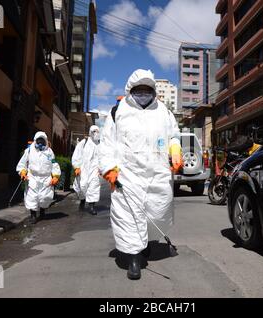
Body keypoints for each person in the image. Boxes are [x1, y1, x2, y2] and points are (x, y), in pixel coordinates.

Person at [99, 69, 183, 280]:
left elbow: (174, 135)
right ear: (131, 90)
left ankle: (145, 243)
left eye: (147, 89)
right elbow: (107, 142)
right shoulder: (118, 112)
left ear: (153, 91)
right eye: (139, 89)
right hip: (128, 176)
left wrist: (175, 149)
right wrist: (109, 168)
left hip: (158, 175)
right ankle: (134, 258)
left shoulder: (164, 111)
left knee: (157, 213)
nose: (143, 93)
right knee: (129, 217)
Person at [16, 131, 61, 224]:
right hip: (33, 177)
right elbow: (22, 163)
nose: (40, 143)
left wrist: (56, 176)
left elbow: (54, 164)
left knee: (45, 197)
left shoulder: (49, 152)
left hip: (46, 178)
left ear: (45, 141)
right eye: (38, 141)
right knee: (32, 197)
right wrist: (23, 171)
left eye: (42, 141)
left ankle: (42, 212)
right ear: (35, 141)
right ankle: (33, 215)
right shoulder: (29, 150)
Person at [71, 125, 101, 215]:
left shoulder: (100, 145)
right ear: (90, 132)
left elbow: (102, 158)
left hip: (94, 170)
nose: (95, 133)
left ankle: (91, 207)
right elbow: (76, 155)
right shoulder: (84, 143)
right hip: (83, 170)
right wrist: (76, 167)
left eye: (97, 131)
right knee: (82, 186)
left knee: (94, 187)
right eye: (93, 131)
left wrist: (102, 169)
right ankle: (82, 201)